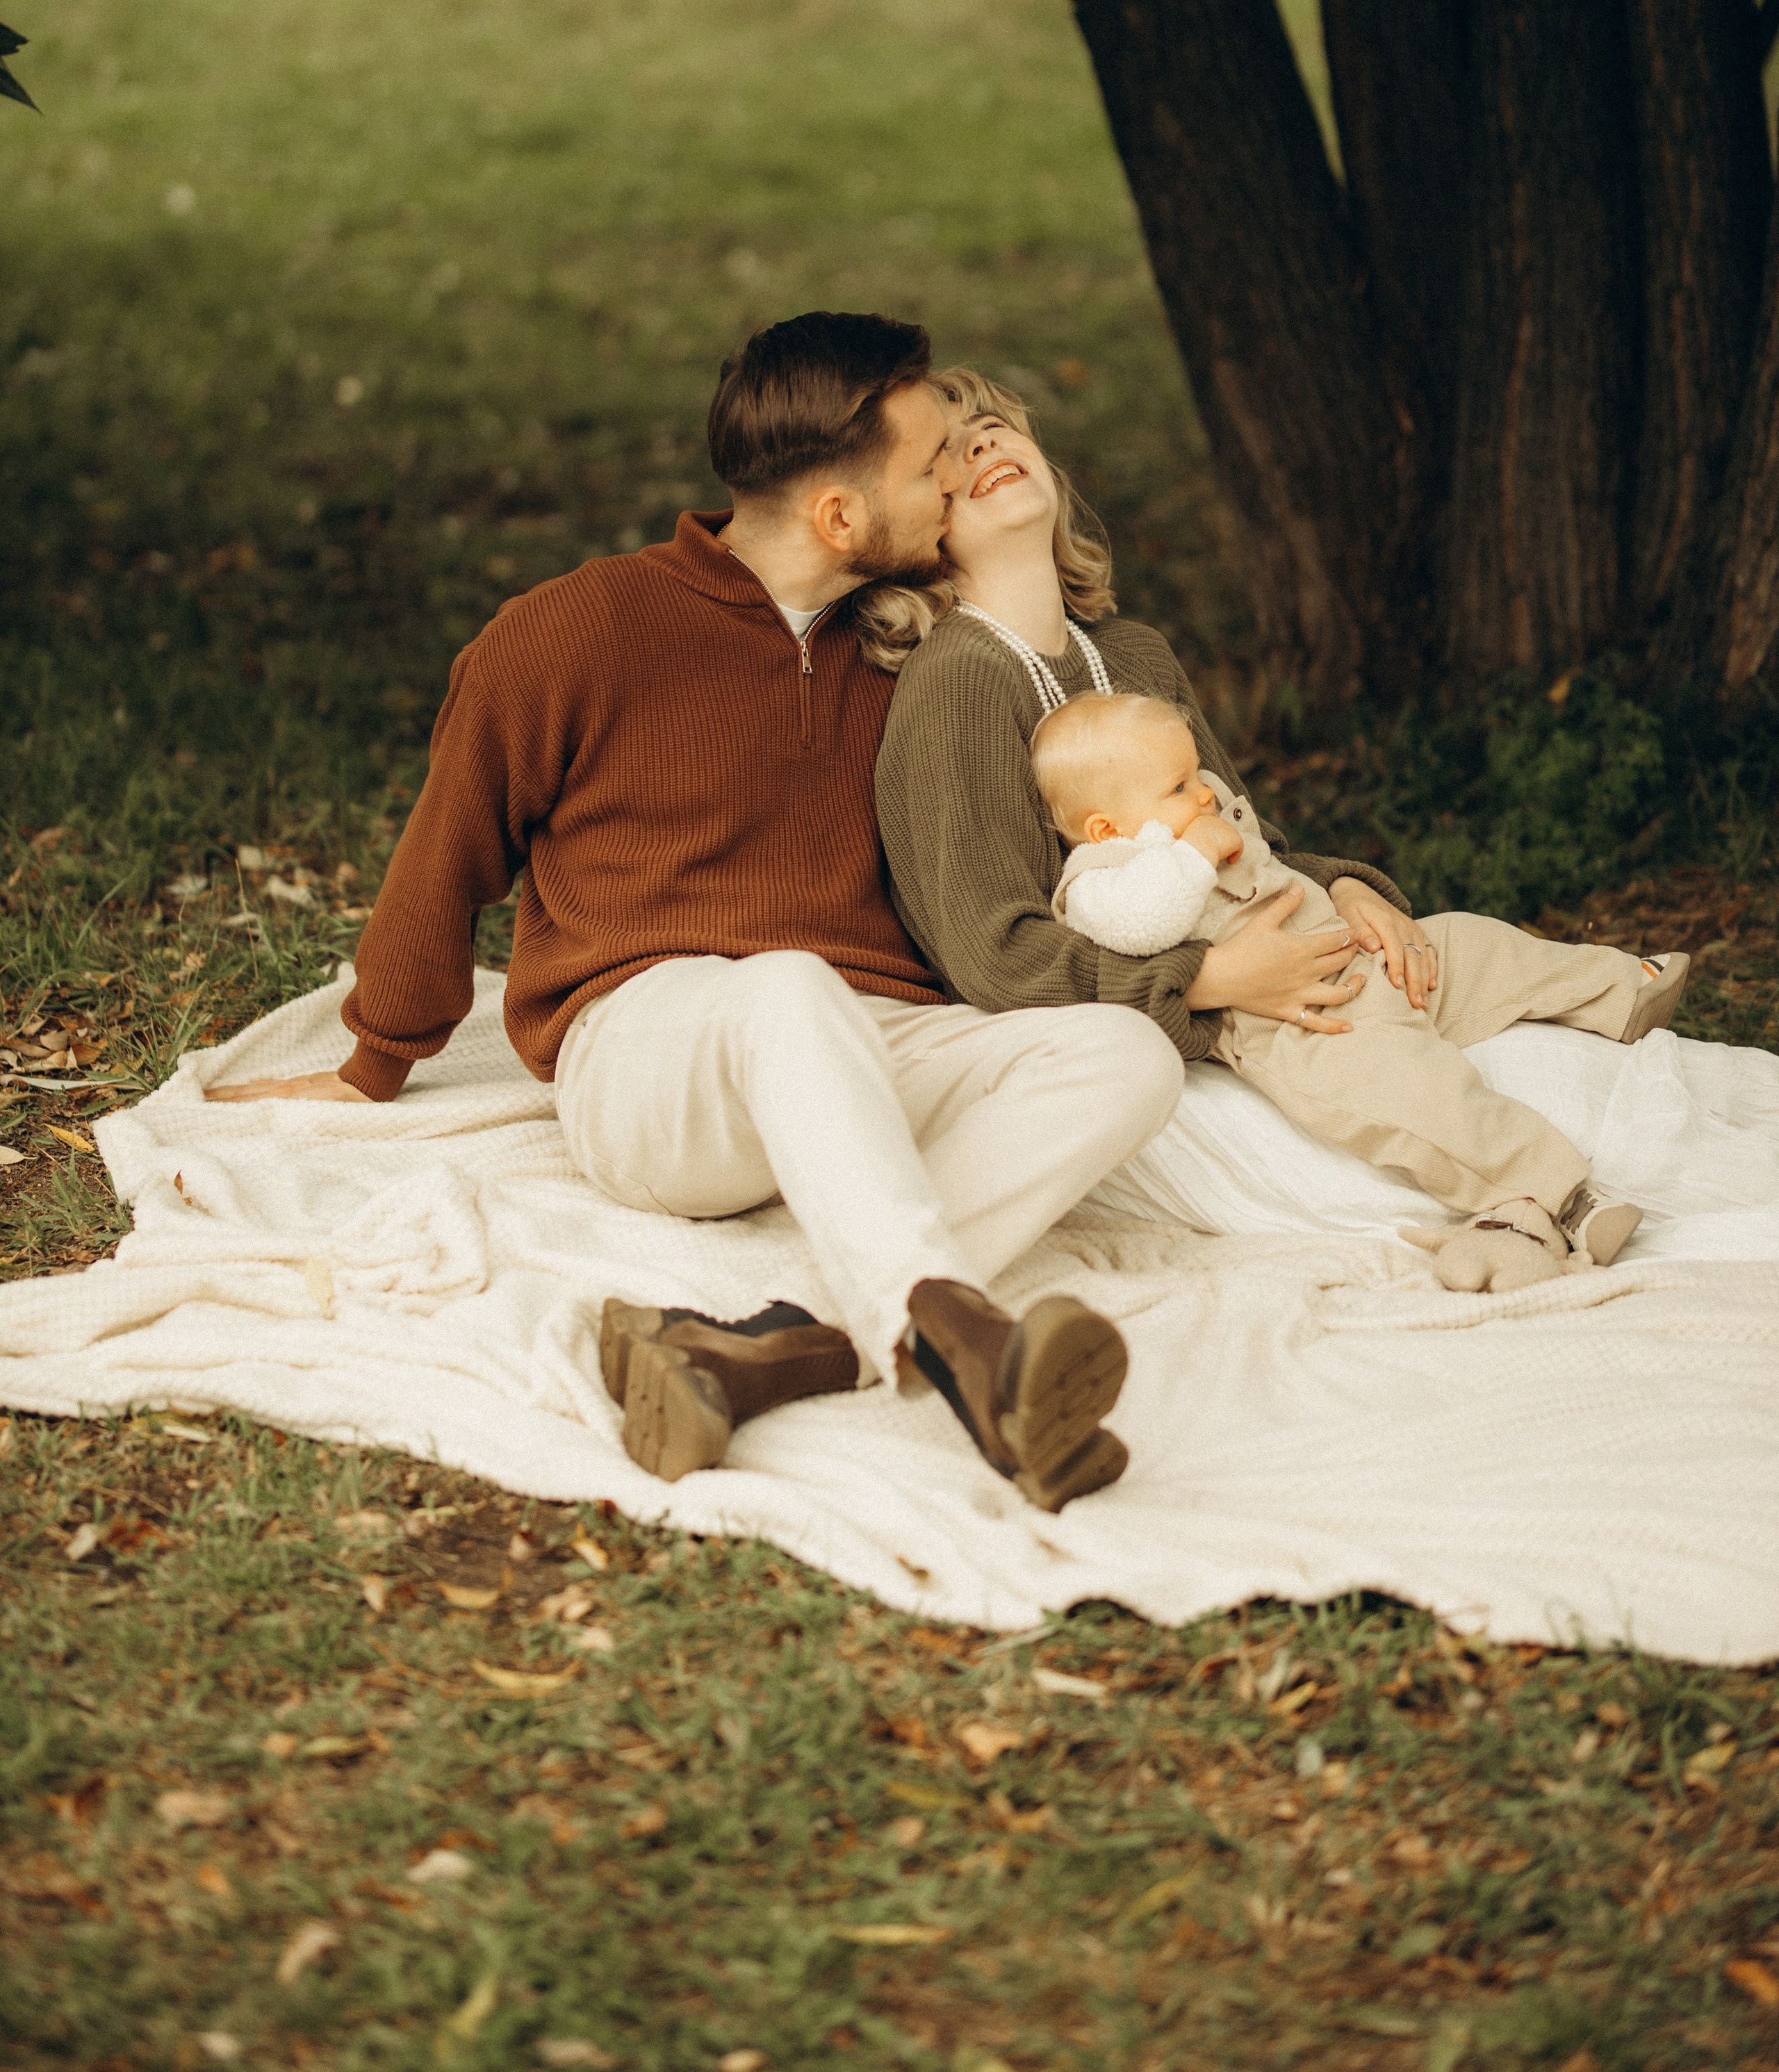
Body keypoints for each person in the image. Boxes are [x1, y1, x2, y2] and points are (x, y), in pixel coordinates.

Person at [206, 315, 1185, 1508]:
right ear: (838, 517)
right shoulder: (576, 630)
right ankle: (964, 1342)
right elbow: (449, 846)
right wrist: (374, 1058)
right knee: (783, 988)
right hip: (655, 1057)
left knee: (1126, 1055)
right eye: (934, 464)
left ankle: (772, 1347)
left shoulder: (919, 642)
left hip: (870, 1046)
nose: (959, 475)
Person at [867, 370, 1679, 1297]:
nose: (982, 447)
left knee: (1451, 952)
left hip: (1278, 929)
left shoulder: (1130, 652)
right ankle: (1537, 1200)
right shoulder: (958, 687)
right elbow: (992, 950)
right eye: (948, 451)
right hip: (1199, 997)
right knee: (1380, 1066)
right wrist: (1210, 983)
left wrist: (1348, 887)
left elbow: (1242, 832)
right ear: (913, 529)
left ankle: (1619, 988)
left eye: (996, 427)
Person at [1031, 686, 1684, 1287]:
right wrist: (1191, 854)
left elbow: (1280, 862)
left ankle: (1617, 991)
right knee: (1408, 1093)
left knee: (1466, 942)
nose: (1204, 794)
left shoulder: (1191, 818)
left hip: (1353, 956)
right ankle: (1547, 1200)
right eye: (1178, 787)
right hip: (1302, 1021)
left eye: (1197, 773)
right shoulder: (1100, 880)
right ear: (1106, 829)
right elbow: (1145, 927)